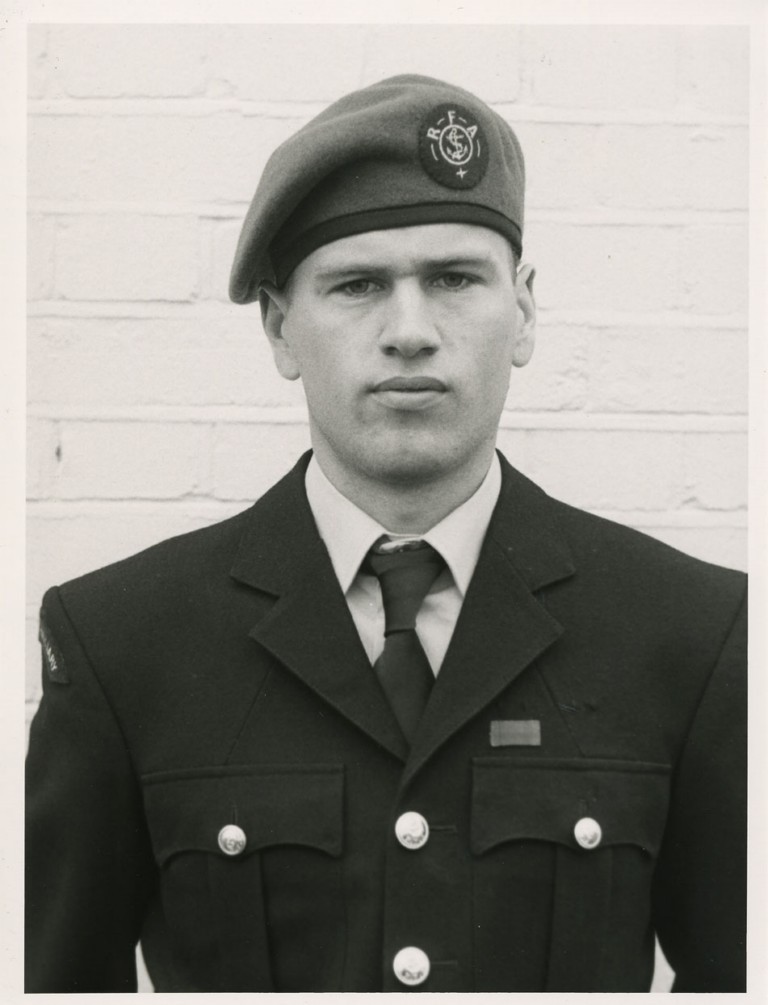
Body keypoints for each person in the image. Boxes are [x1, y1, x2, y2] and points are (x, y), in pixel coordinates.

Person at [25, 74, 746, 993]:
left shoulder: (691, 634)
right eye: (358, 284)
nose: (410, 331)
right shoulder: (124, 646)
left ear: (523, 311)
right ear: (282, 328)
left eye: (453, 278)